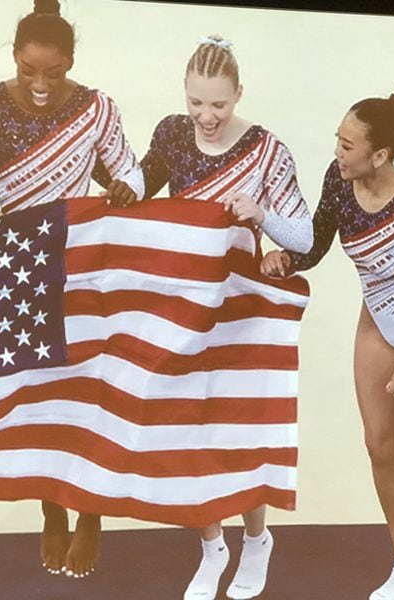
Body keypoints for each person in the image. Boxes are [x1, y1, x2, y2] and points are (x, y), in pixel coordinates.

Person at [0, 0, 144, 579]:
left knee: (88, 391)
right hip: (19, 267)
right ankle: (52, 510)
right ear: (14, 58)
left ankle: (89, 513)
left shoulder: (96, 108)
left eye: (54, 72)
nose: (40, 85)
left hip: (88, 261)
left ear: (71, 62)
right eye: (28, 70)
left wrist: (125, 187)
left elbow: (129, 170)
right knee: (41, 396)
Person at [261, 84, 394, 600]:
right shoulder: (339, 178)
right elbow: (317, 238)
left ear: (381, 154)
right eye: (338, 139)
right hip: (377, 321)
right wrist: (283, 251)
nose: (337, 152)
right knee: (377, 448)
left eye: (348, 146)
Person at [138, 35, 313, 600]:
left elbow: (305, 238)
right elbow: (144, 184)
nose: (205, 116)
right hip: (183, 305)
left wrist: (263, 216)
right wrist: (117, 183)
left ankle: (256, 539)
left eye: (218, 104)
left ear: (239, 93)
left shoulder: (267, 151)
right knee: (184, 428)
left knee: (239, 429)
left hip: (242, 310)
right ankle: (212, 547)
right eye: (196, 102)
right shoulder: (171, 132)